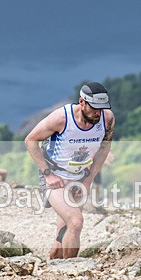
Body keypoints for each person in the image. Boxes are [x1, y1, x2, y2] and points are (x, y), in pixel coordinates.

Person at [25, 82, 115, 259]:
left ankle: (52, 267)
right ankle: (71, 270)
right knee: (76, 222)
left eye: (102, 108)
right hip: (54, 176)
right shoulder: (61, 118)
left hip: (79, 178)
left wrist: (88, 180)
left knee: (64, 230)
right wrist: (47, 174)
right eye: (94, 108)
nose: (98, 113)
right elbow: (30, 141)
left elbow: (104, 148)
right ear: (82, 102)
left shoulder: (107, 118)